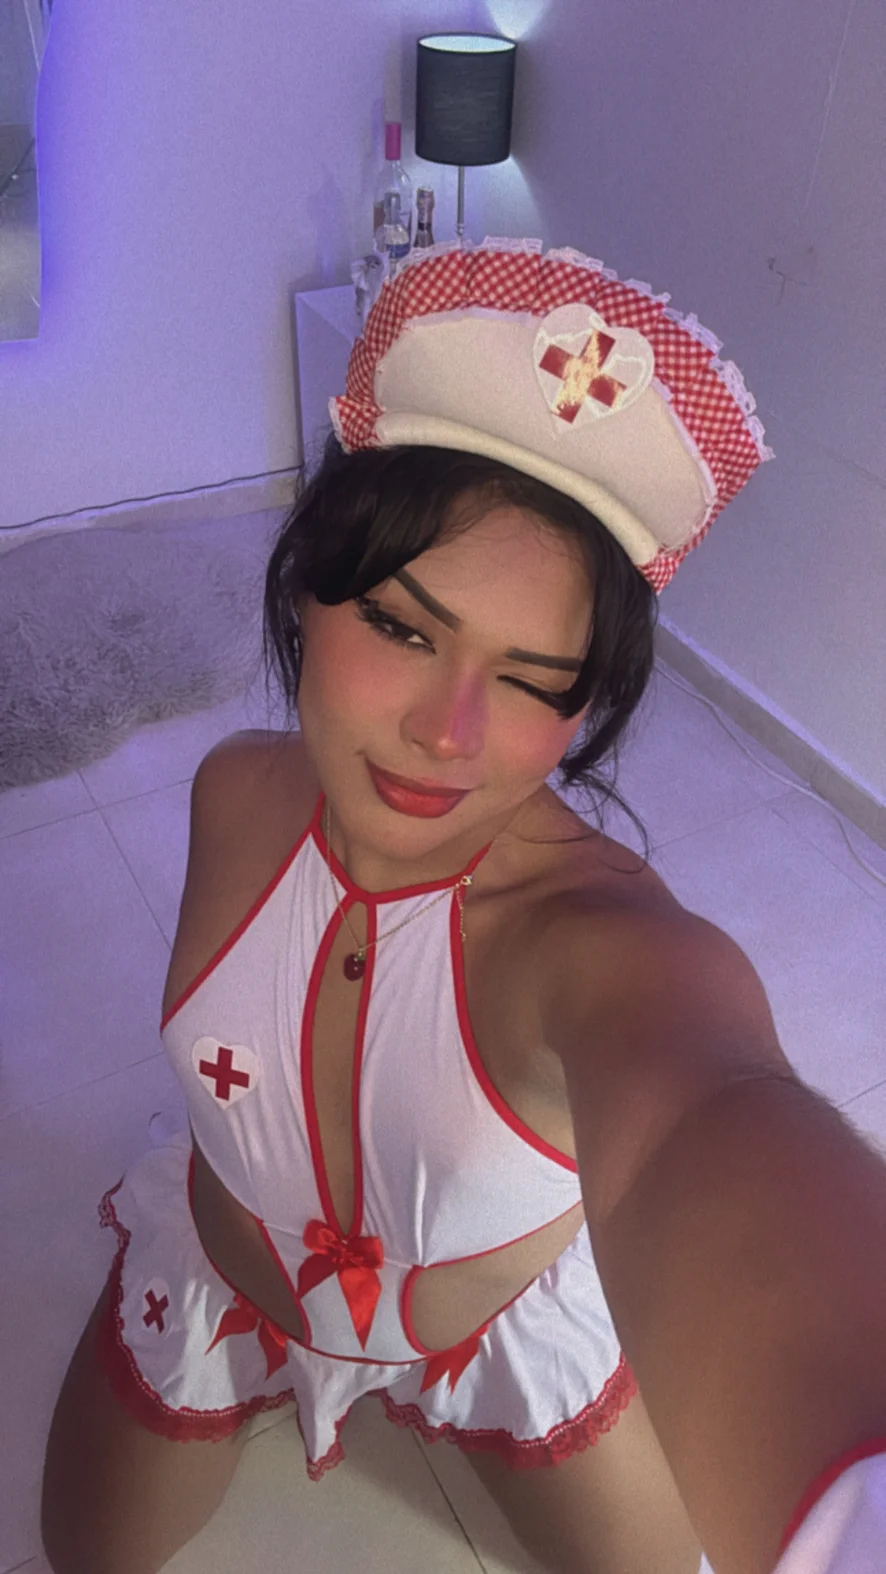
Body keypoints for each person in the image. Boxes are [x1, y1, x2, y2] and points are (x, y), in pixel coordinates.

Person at [40, 239, 886, 1574]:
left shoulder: (605, 949)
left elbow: (709, 1115)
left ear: (585, 707)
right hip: (222, 1271)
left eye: (533, 680)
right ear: (306, 586)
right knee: (83, 1546)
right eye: (402, 626)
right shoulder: (232, 792)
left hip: (497, 1328)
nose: (449, 732)